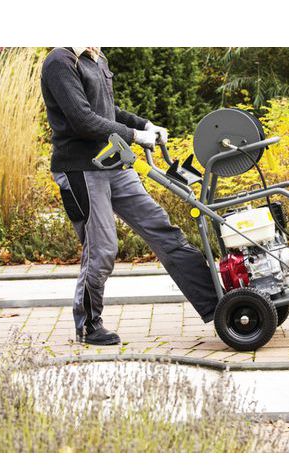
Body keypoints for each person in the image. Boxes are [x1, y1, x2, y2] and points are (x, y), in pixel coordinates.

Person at [41, 47, 218, 346]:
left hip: (113, 163)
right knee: (102, 249)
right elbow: (83, 119)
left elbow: (107, 111)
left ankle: (219, 304)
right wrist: (134, 136)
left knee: (161, 228)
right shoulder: (61, 61)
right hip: (80, 169)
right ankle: (88, 326)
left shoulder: (96, 57)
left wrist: (144, 124)